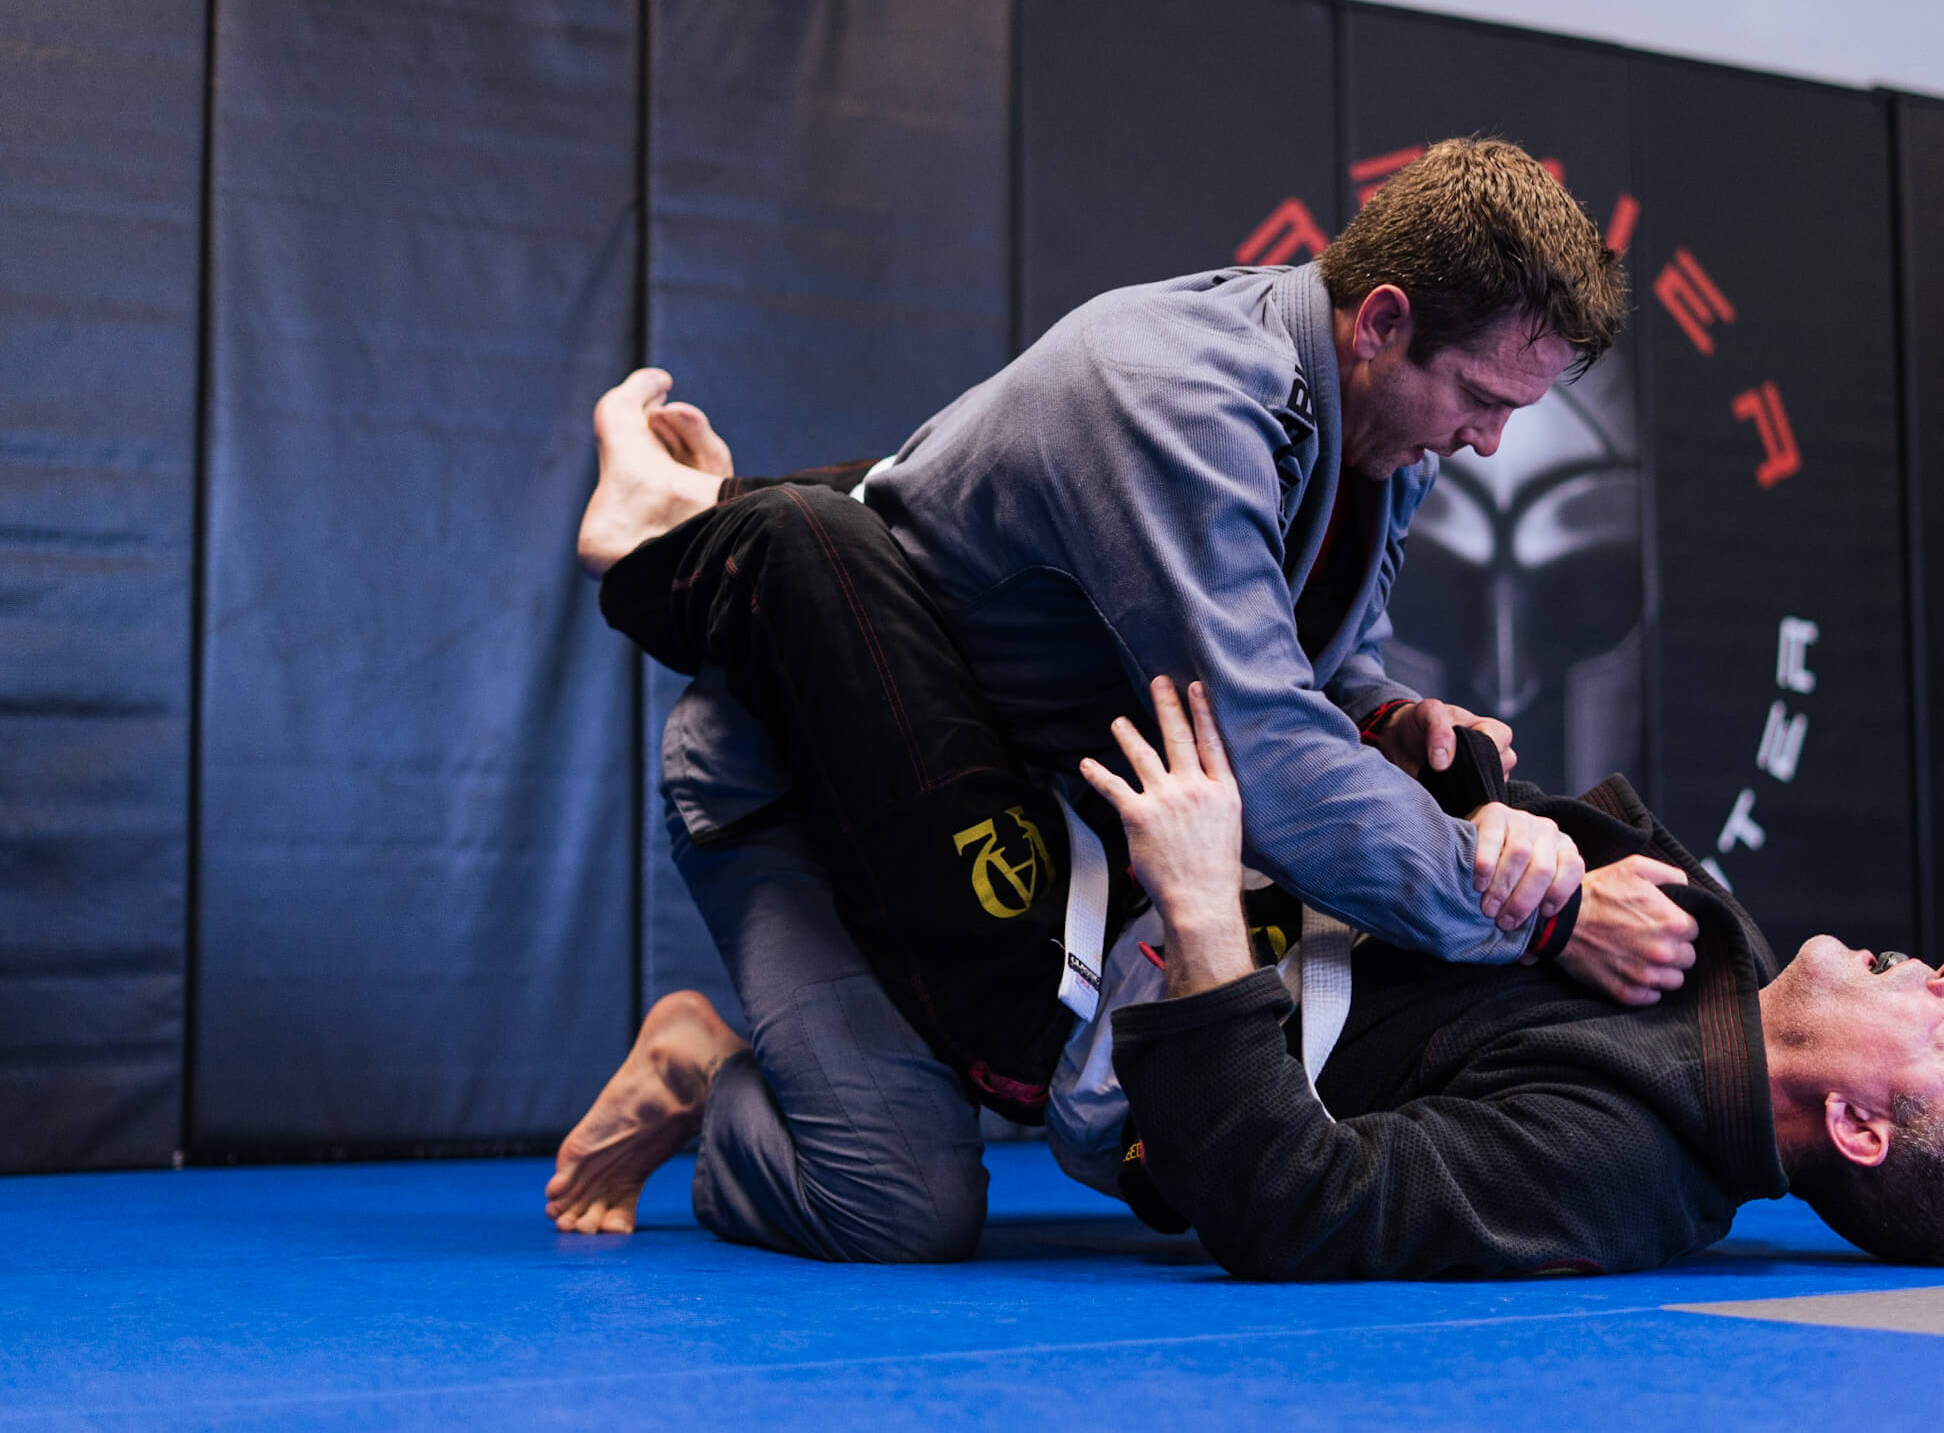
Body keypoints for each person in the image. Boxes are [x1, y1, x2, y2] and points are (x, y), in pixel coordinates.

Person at [546, 139, 1706, 1252]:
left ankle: (687, 518)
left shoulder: (1380, 435)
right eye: (1480, 398)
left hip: (979, 780)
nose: (1487, 443)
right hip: (796, 767)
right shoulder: (1180, 393)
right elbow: (1262, 751)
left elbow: (1317, 659)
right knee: (897, 1212)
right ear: (1382, 320)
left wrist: (1385, 714)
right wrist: (1541, 917)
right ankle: (708, 1069)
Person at [1083, 677, 1944, 1277]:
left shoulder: (1618, 1175)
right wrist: (1445, 771)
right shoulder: (1719, 944)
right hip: (1235, 843)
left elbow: (1288, 1200)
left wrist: (1201, 903)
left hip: (1124, 1014)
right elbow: (1474, 829)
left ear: (1857, 1127)